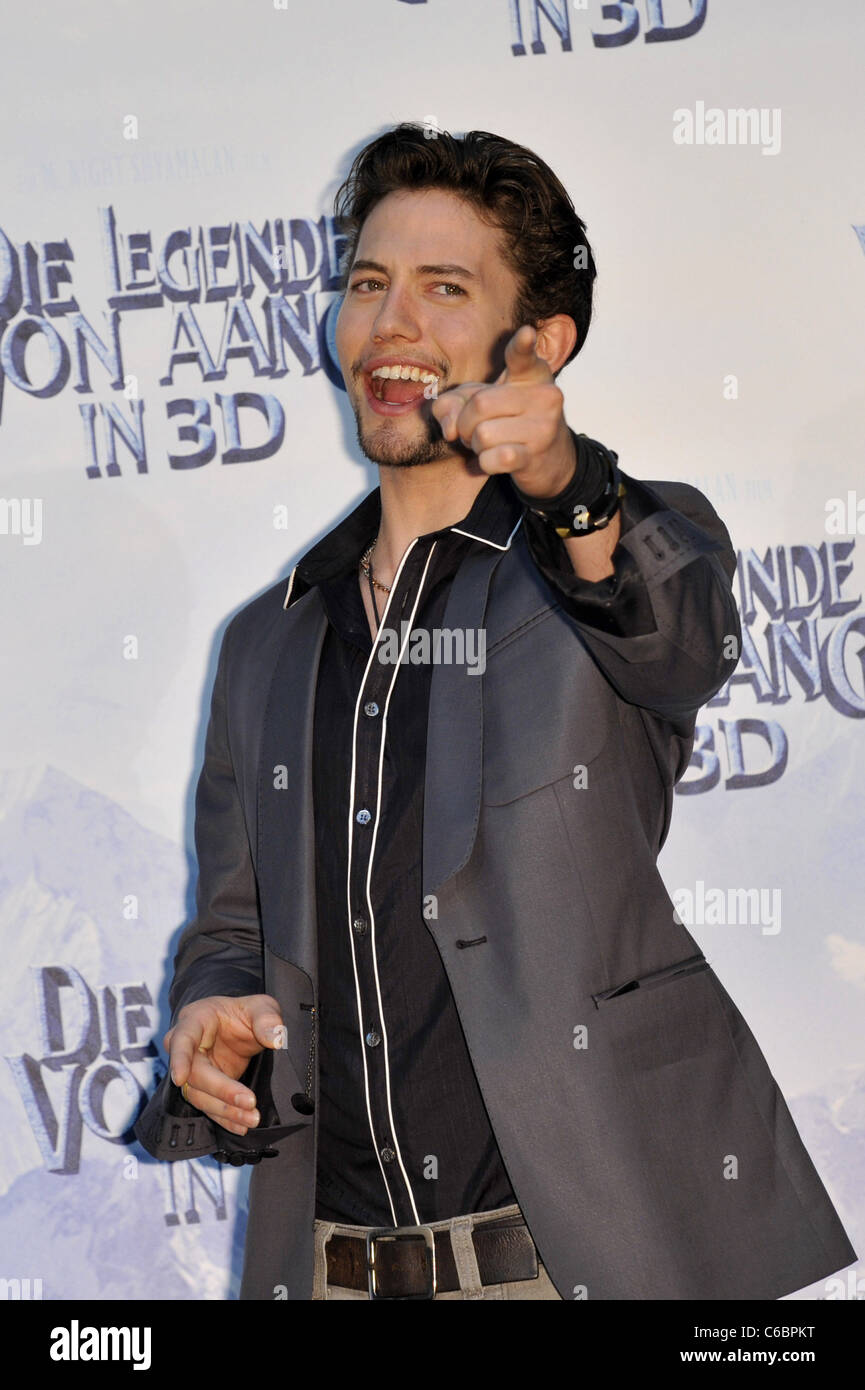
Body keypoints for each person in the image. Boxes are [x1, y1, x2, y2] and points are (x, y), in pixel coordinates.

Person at [135, 123, 856, 1301]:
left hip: (572, 1263)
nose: (392, 323)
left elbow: (681, 635)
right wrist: (214, 1011)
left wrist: (575, 488)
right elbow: (233, 925)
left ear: (541, 341)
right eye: (368, 283)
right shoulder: (268, 640)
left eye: (444, 288)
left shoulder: (596, 558)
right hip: (325, 1271)